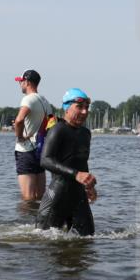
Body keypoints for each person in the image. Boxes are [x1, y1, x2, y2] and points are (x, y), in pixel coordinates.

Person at [37, 88, 96, 236]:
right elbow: (45, 160)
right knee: (43, 241)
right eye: (80, 107)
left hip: (78, 195)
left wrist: (88, 185)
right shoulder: (58, 130)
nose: (84, 112)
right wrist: (76, 174)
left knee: (87, 238)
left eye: (87, 108)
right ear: (67, 108)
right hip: (57, 195)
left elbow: (82, 162)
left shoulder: (85, 133)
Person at [12, 70, 54, 201]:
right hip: (40, 151)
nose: (20, 85)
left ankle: (25, 221)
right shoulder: (45, 101)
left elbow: (19, 120)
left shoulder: (28, 99)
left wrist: (19, 137)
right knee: (39, 197)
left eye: (21, 82)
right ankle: (39, 221)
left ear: (27, 82)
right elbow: (50, 123)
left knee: (27, 197)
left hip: (26, 151)